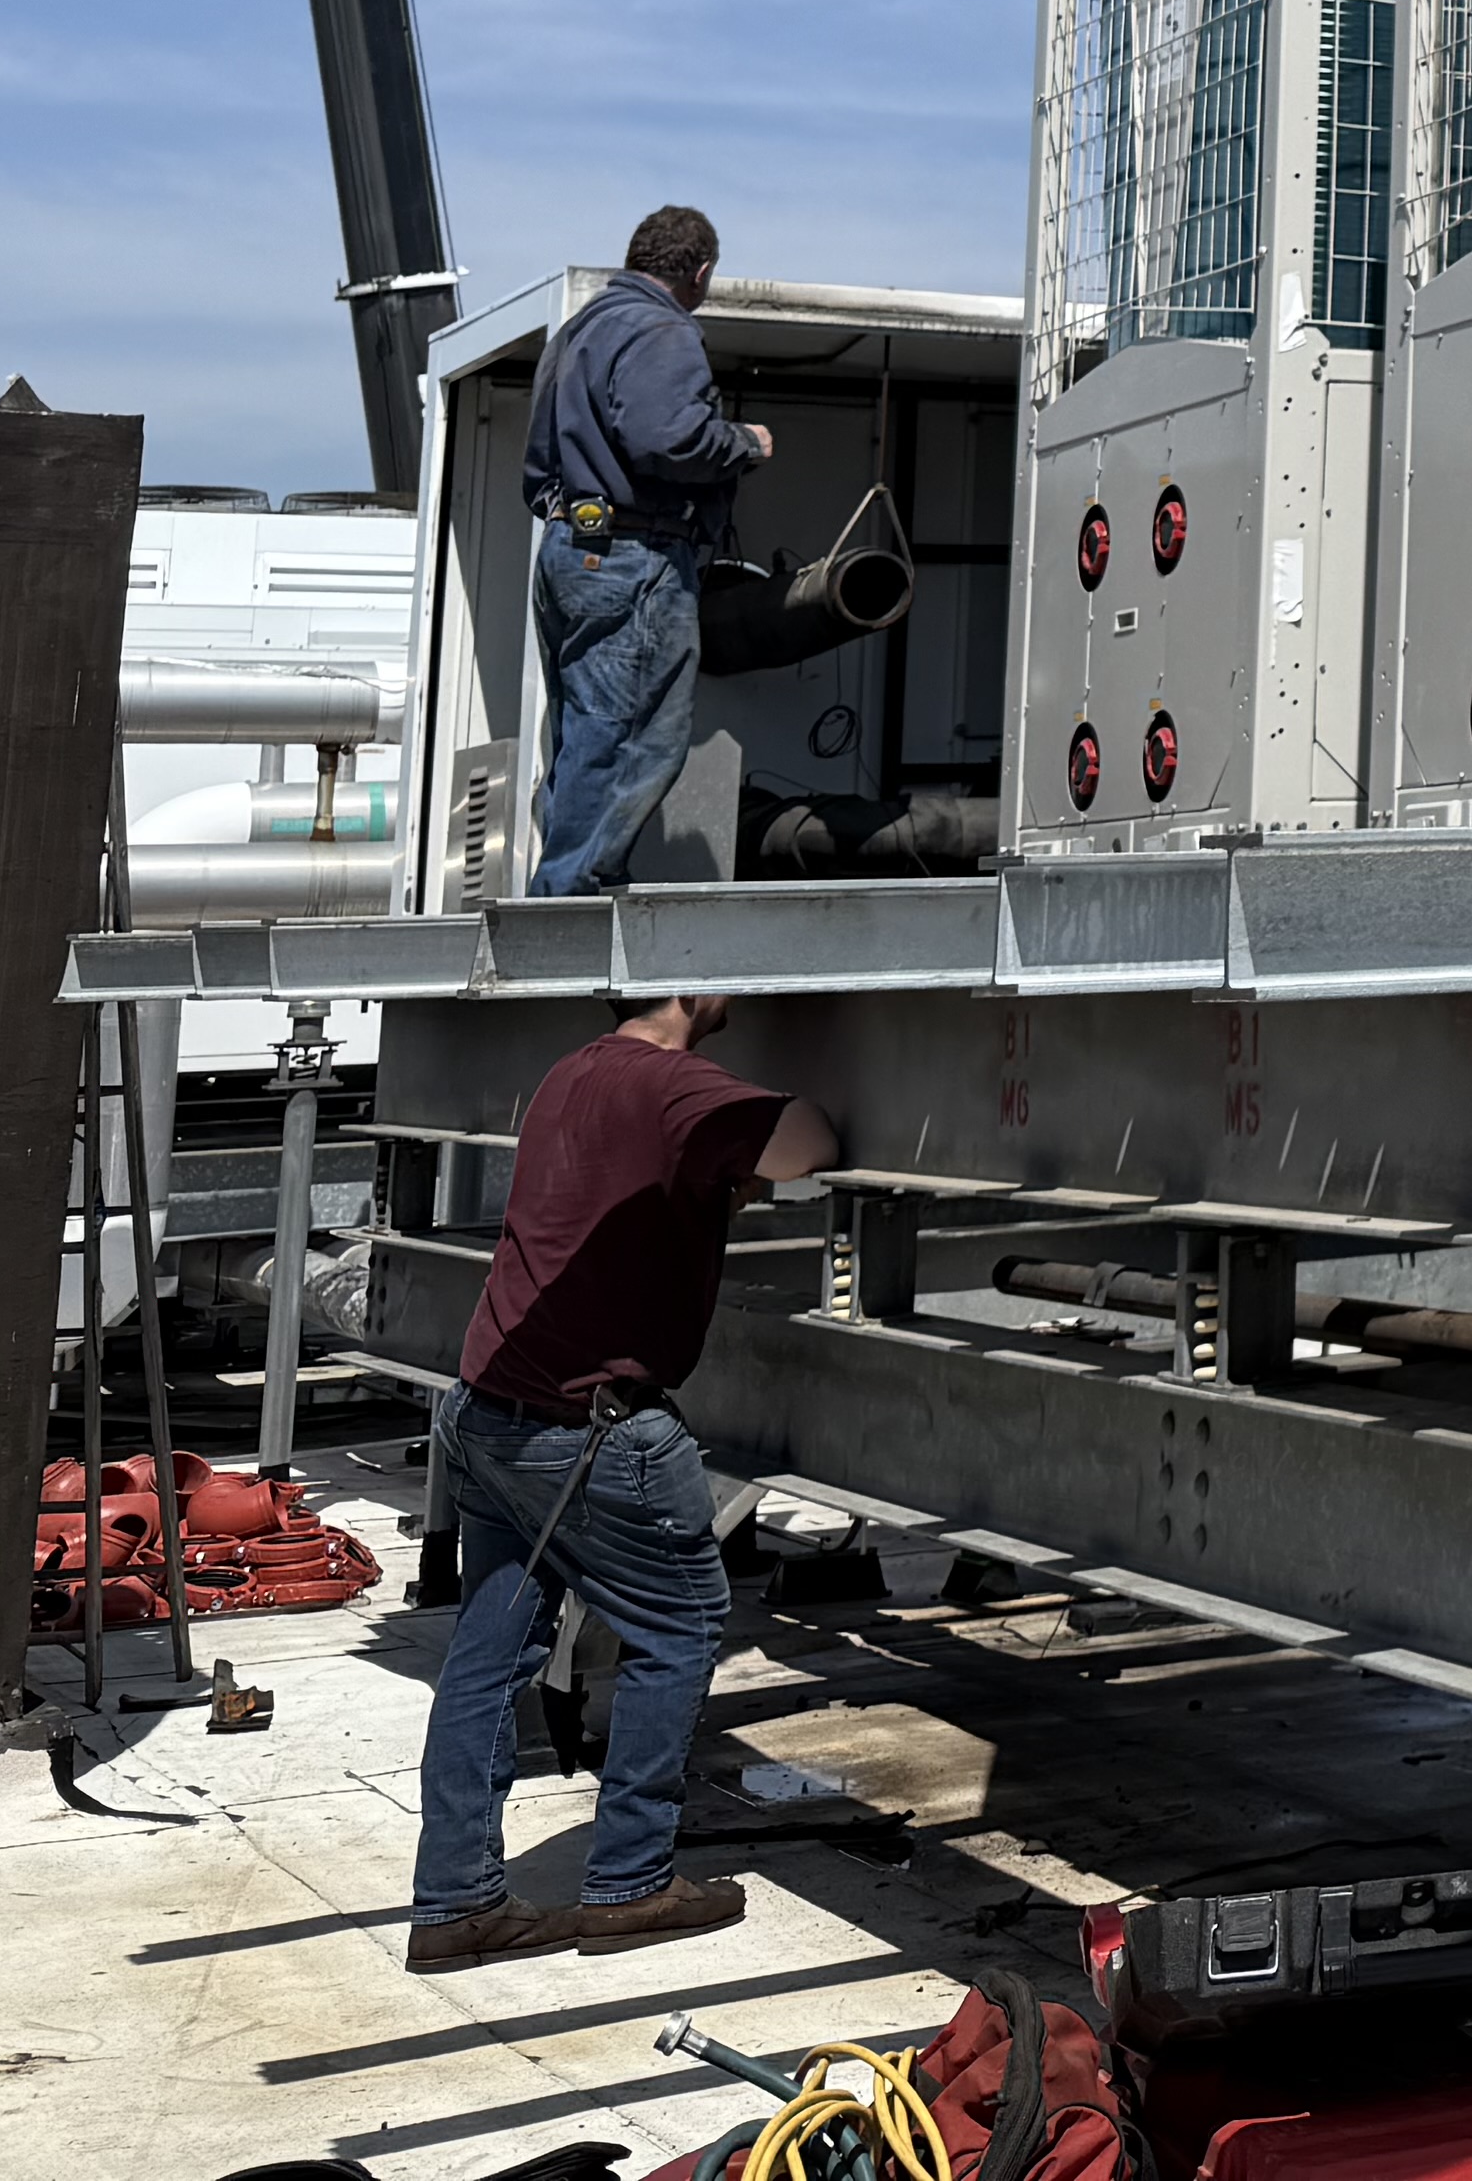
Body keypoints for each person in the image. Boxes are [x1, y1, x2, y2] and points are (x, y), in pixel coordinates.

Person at [404, 987, 843, 1971]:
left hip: (487, 1406)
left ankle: (455, 1900)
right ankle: (631, 1883)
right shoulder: (678, 1084)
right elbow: (810, 1143)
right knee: (678, 1626)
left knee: (490, 1652)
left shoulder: (575, 1072)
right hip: (592, 1428)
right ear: (692, 987)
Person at [523, 205, 773, 895]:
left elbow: (540, 461)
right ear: (700, 273)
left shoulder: (579, 331)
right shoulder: (664, 329)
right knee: (635, 736)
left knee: (585, 732)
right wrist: (744, 443)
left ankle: (567, 881)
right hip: (632, 555)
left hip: (569, 547)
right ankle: (570, 901)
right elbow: (669, 439)